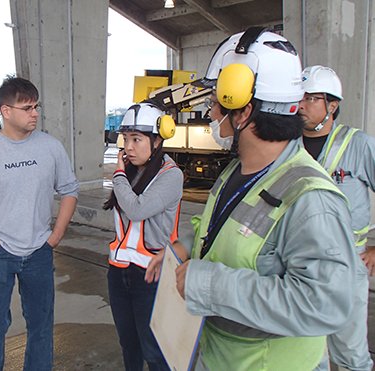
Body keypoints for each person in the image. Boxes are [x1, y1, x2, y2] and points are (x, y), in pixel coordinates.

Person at [145, 27, 358, 371]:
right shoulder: (236, 172)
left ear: (242, 111)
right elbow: (216, 228)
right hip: (220, 355)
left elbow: (325, 304)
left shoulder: (311, 200)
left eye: (215, 104)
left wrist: (209, 283)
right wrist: (182, 247)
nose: (211, 115)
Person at [0, 76, 79, 371]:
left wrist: (56, 235)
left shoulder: (50, 147)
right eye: (27, 108)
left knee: (42, 328)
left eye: (36, 106)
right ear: (6, 111)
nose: (35, 113)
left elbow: (70, 189)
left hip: (39, 253)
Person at [299, 65, 375, 371]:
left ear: (333, 105)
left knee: (350, 353)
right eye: (298, 97)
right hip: (300, 265)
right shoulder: (286, 148)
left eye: (311, 98)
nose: (301, 104)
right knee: (307, 353)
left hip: (347, 264)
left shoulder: (358, 145)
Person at [103, 101, 184, 371]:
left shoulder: (170, 175)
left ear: (158, 140)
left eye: (137, 139)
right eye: (126, 139)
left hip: (151, 276)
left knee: (155, 352)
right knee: (129, 345)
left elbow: (138, 210)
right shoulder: (128, 173)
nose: (128, 146)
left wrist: (117, 174)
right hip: (119, 272)